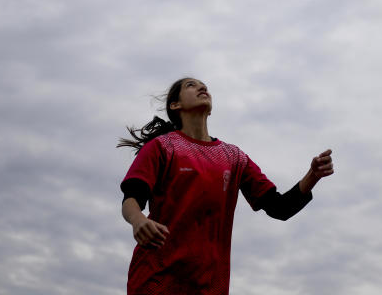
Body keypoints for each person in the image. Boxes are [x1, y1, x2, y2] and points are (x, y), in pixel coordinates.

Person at [118, 77, 334, 295]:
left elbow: (280, 208)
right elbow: (131, 198)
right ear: (176, 105)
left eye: (205, 86)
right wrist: (138, 221)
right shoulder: (163, 147)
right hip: (155, 280)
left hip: (210, 286)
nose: (202, 87)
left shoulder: (234, 157)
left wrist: (312, 176)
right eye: (191, 85)